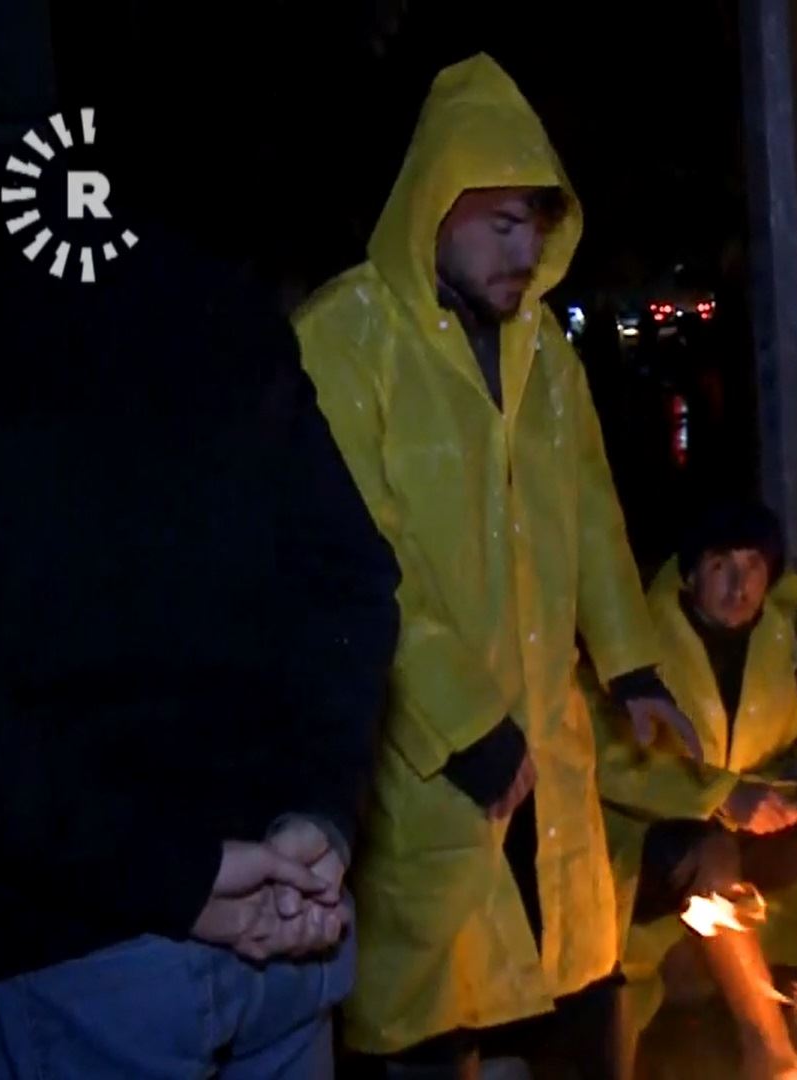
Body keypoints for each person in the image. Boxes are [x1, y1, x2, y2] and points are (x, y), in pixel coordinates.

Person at [0, 148, 402, 1075]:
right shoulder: (205, 296)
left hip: (70, 963)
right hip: (288, 926)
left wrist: (180, 874)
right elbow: (350, 581)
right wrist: (316, 816)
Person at [293, 55, 701, 1079]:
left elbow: (594, 516)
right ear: (435, 202)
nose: (527, 253)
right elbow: (353, 555)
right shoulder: (346, 340)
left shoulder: (544, 356)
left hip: (547, 746)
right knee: (436, 1011)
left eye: (538, 225)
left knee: (570, 992)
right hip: (425, 758)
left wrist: (632, 666)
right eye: (503, 224)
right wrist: (463, 721)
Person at [598, 502, 797, 1079]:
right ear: (692, 573)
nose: (740, 585)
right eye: (722, 566)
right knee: (711, 851)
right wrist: (719, 794)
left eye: (753, 567)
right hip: (644, 844)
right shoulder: (637, 641)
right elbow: (605, 758)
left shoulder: (783, 641)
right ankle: (768, 1053)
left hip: (745, 827)